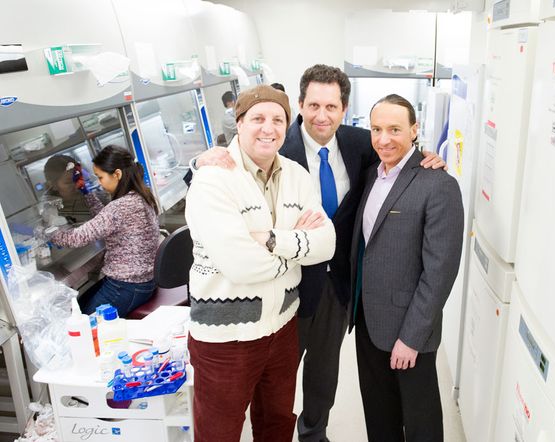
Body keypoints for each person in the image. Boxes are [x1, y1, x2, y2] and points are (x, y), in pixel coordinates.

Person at [192, 64, 446, 442]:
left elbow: (397, 153)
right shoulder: (279, 145)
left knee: (324, 377)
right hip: (290, 289)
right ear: (300, 105)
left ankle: (314, 434)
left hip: (339, 284)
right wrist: (198, 161)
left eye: (331, 106)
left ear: (344, 108)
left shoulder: (363, 144)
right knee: (275, 382)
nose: (321, 115)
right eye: (313, 105)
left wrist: (427, 156)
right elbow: (210, 179)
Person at [185, 85, 336, 442]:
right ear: (239, 123)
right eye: (257, 118)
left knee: (276, 425)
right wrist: (297, 252)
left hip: (283, 328)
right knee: (219, 433)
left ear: (288, 126)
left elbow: (326, 243)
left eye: (278, 120)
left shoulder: (297, 175)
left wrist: (271, 241)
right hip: (226, 339)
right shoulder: (213, 180)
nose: (268, 128)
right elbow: (243, 268)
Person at [350, 94, 464, 442]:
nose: (384, 139)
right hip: (368, 320)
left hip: (409, 329)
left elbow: (439, 272)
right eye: (377, 129)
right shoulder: (373, 174)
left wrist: (411, 338)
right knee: (379, 414)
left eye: (395, 129)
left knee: (420, 423)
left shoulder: (438, 184)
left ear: (415, 130)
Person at [50, 146, 160, 317]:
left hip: (126, 287)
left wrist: (46, 233)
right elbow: (106, 217)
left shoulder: (121, 207)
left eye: (100, 177)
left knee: (83, 322)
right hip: (142, 282)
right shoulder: (139, 195)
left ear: (117, 174)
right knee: (80, 305)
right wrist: (86, 193)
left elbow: (76, 239)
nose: (99, 183)